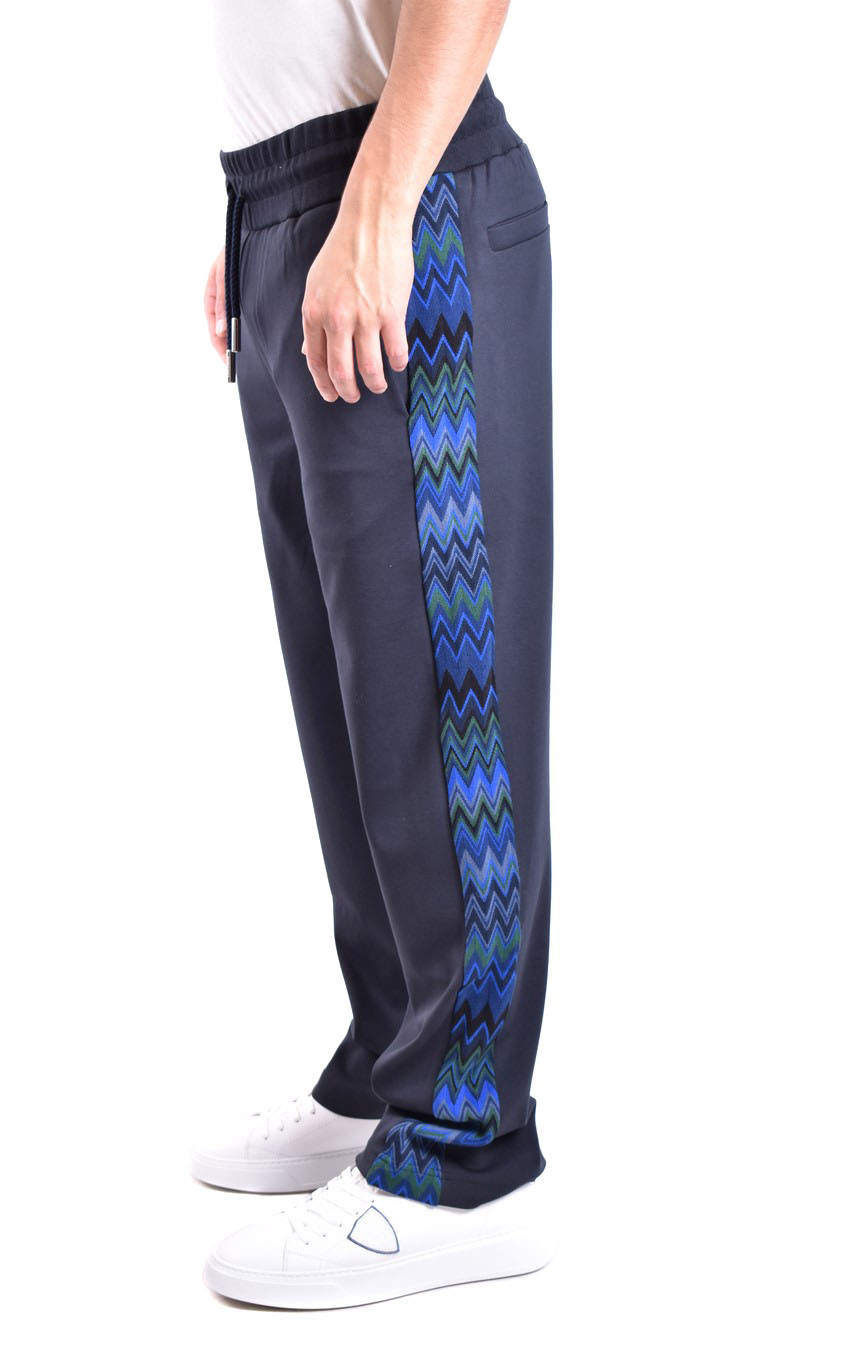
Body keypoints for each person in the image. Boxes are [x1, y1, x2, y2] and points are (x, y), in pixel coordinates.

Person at [196, 0, 554, 1309]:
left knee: (440, 712)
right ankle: (392, 1068)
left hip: (397, 189)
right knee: (354, 695)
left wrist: (376, 204)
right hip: (295, 194)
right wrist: (267, 220)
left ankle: (463, 1155)